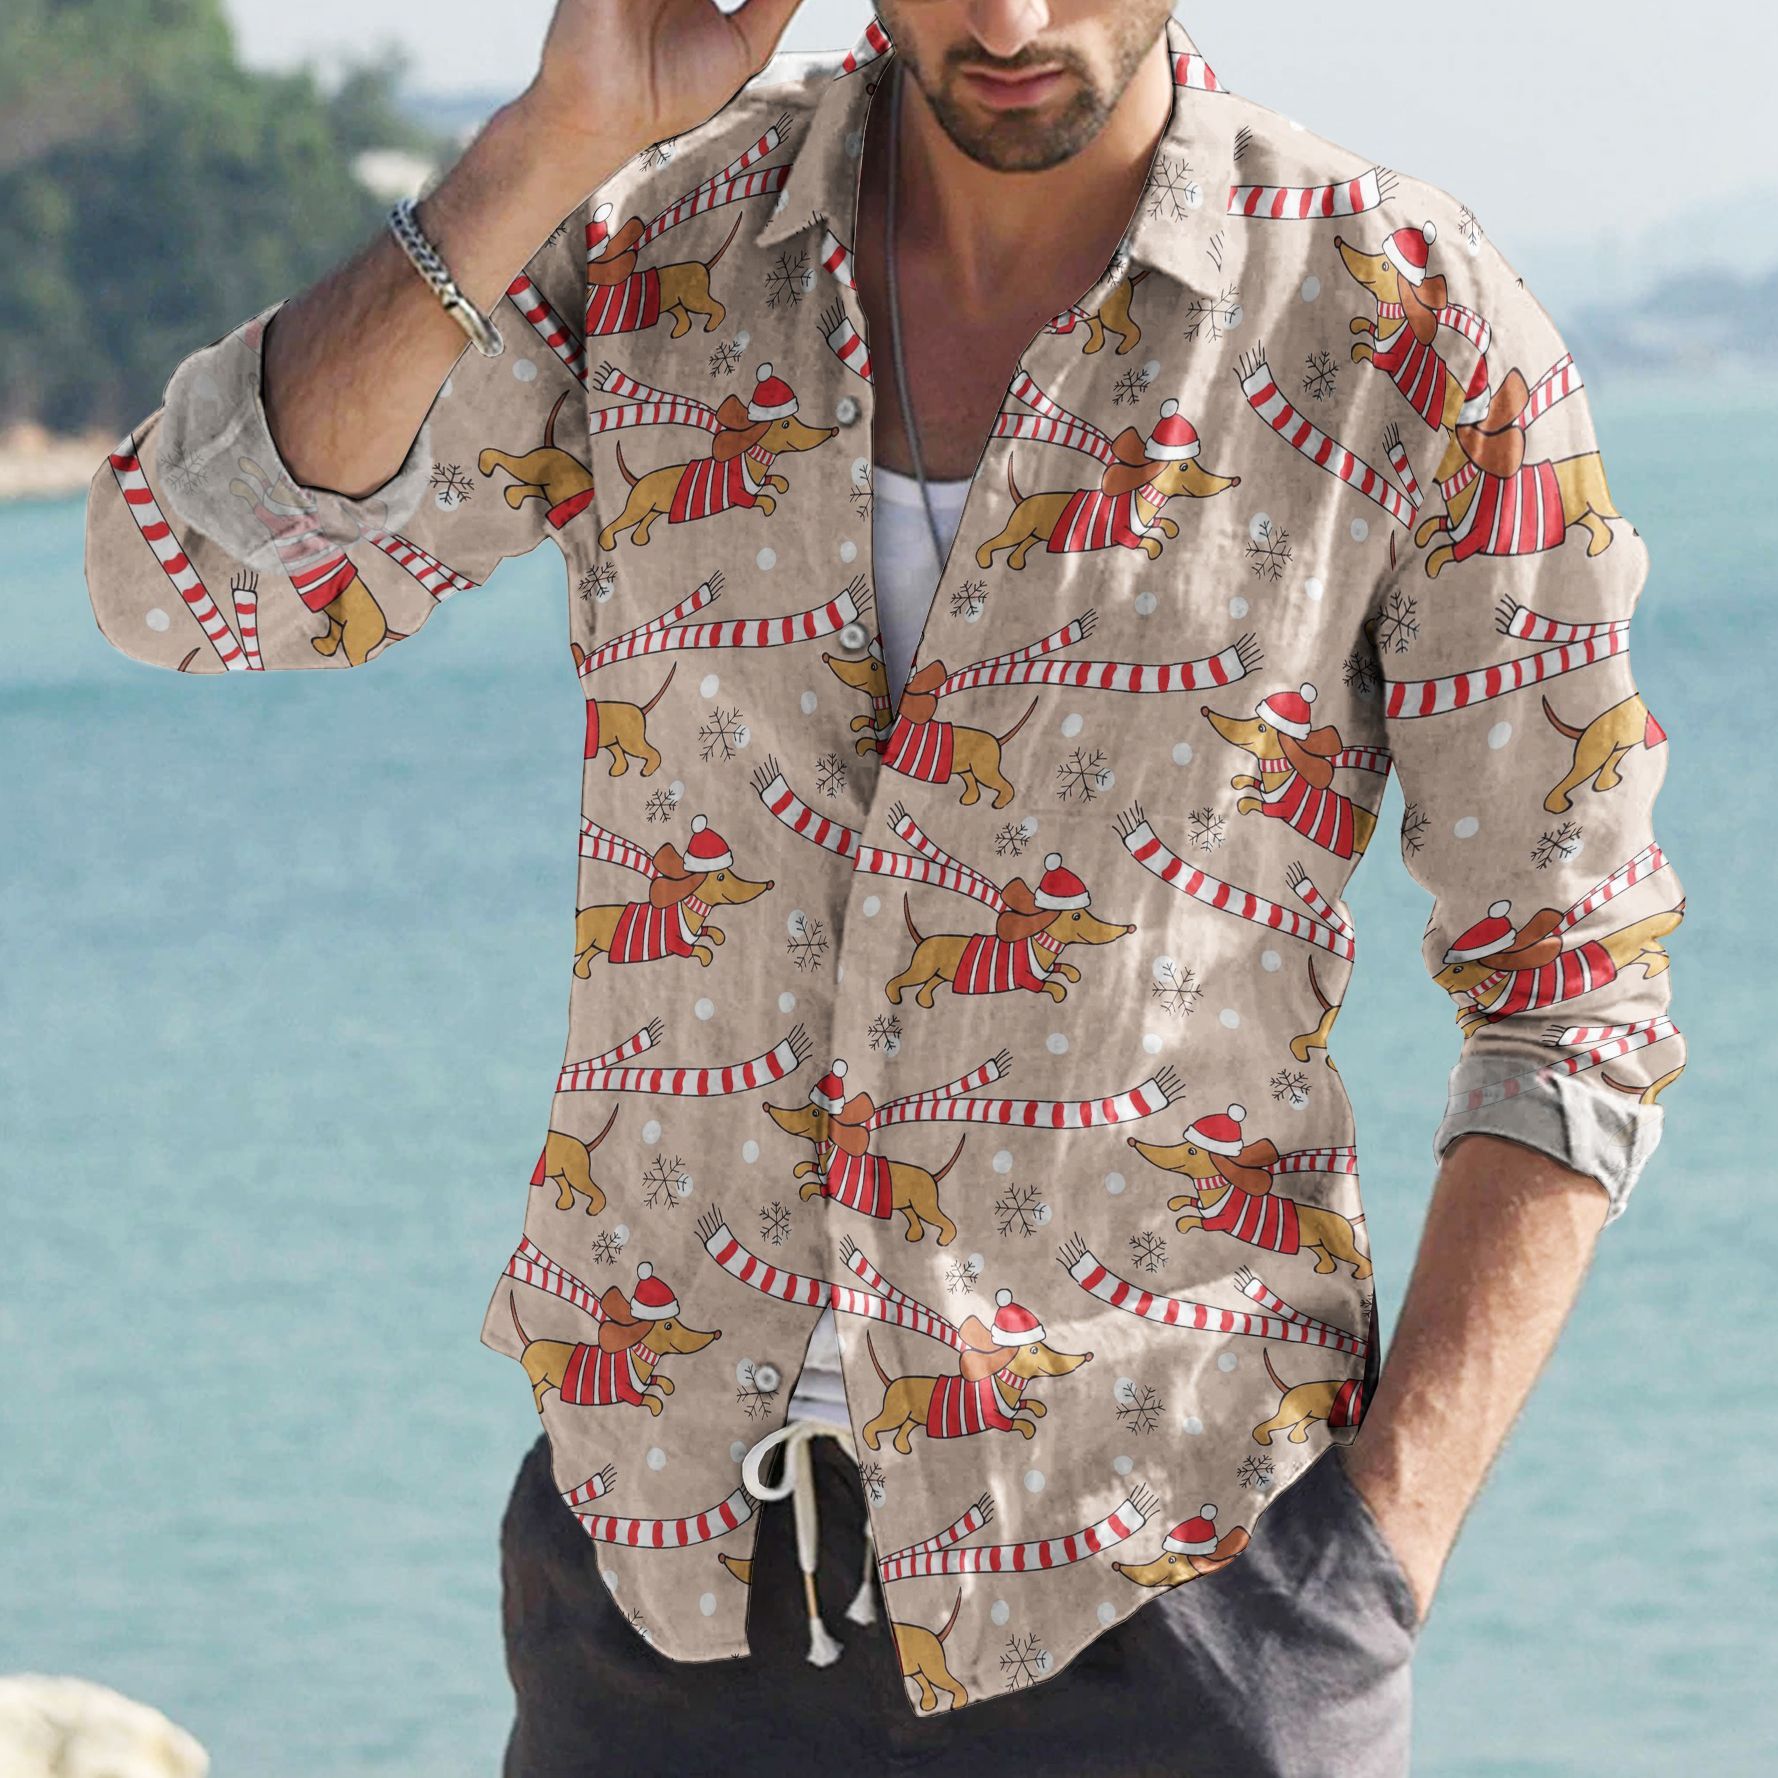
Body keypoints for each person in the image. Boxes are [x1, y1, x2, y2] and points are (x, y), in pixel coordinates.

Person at [81, 3, 1686, 1773]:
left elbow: (1572, 987)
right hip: (663, 1584)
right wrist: (551, 136)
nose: (1006, 20)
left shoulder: (1400, 323)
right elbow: (186, 586)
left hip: (1177, 1578)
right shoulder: (643, 249)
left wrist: (1376, 1554)